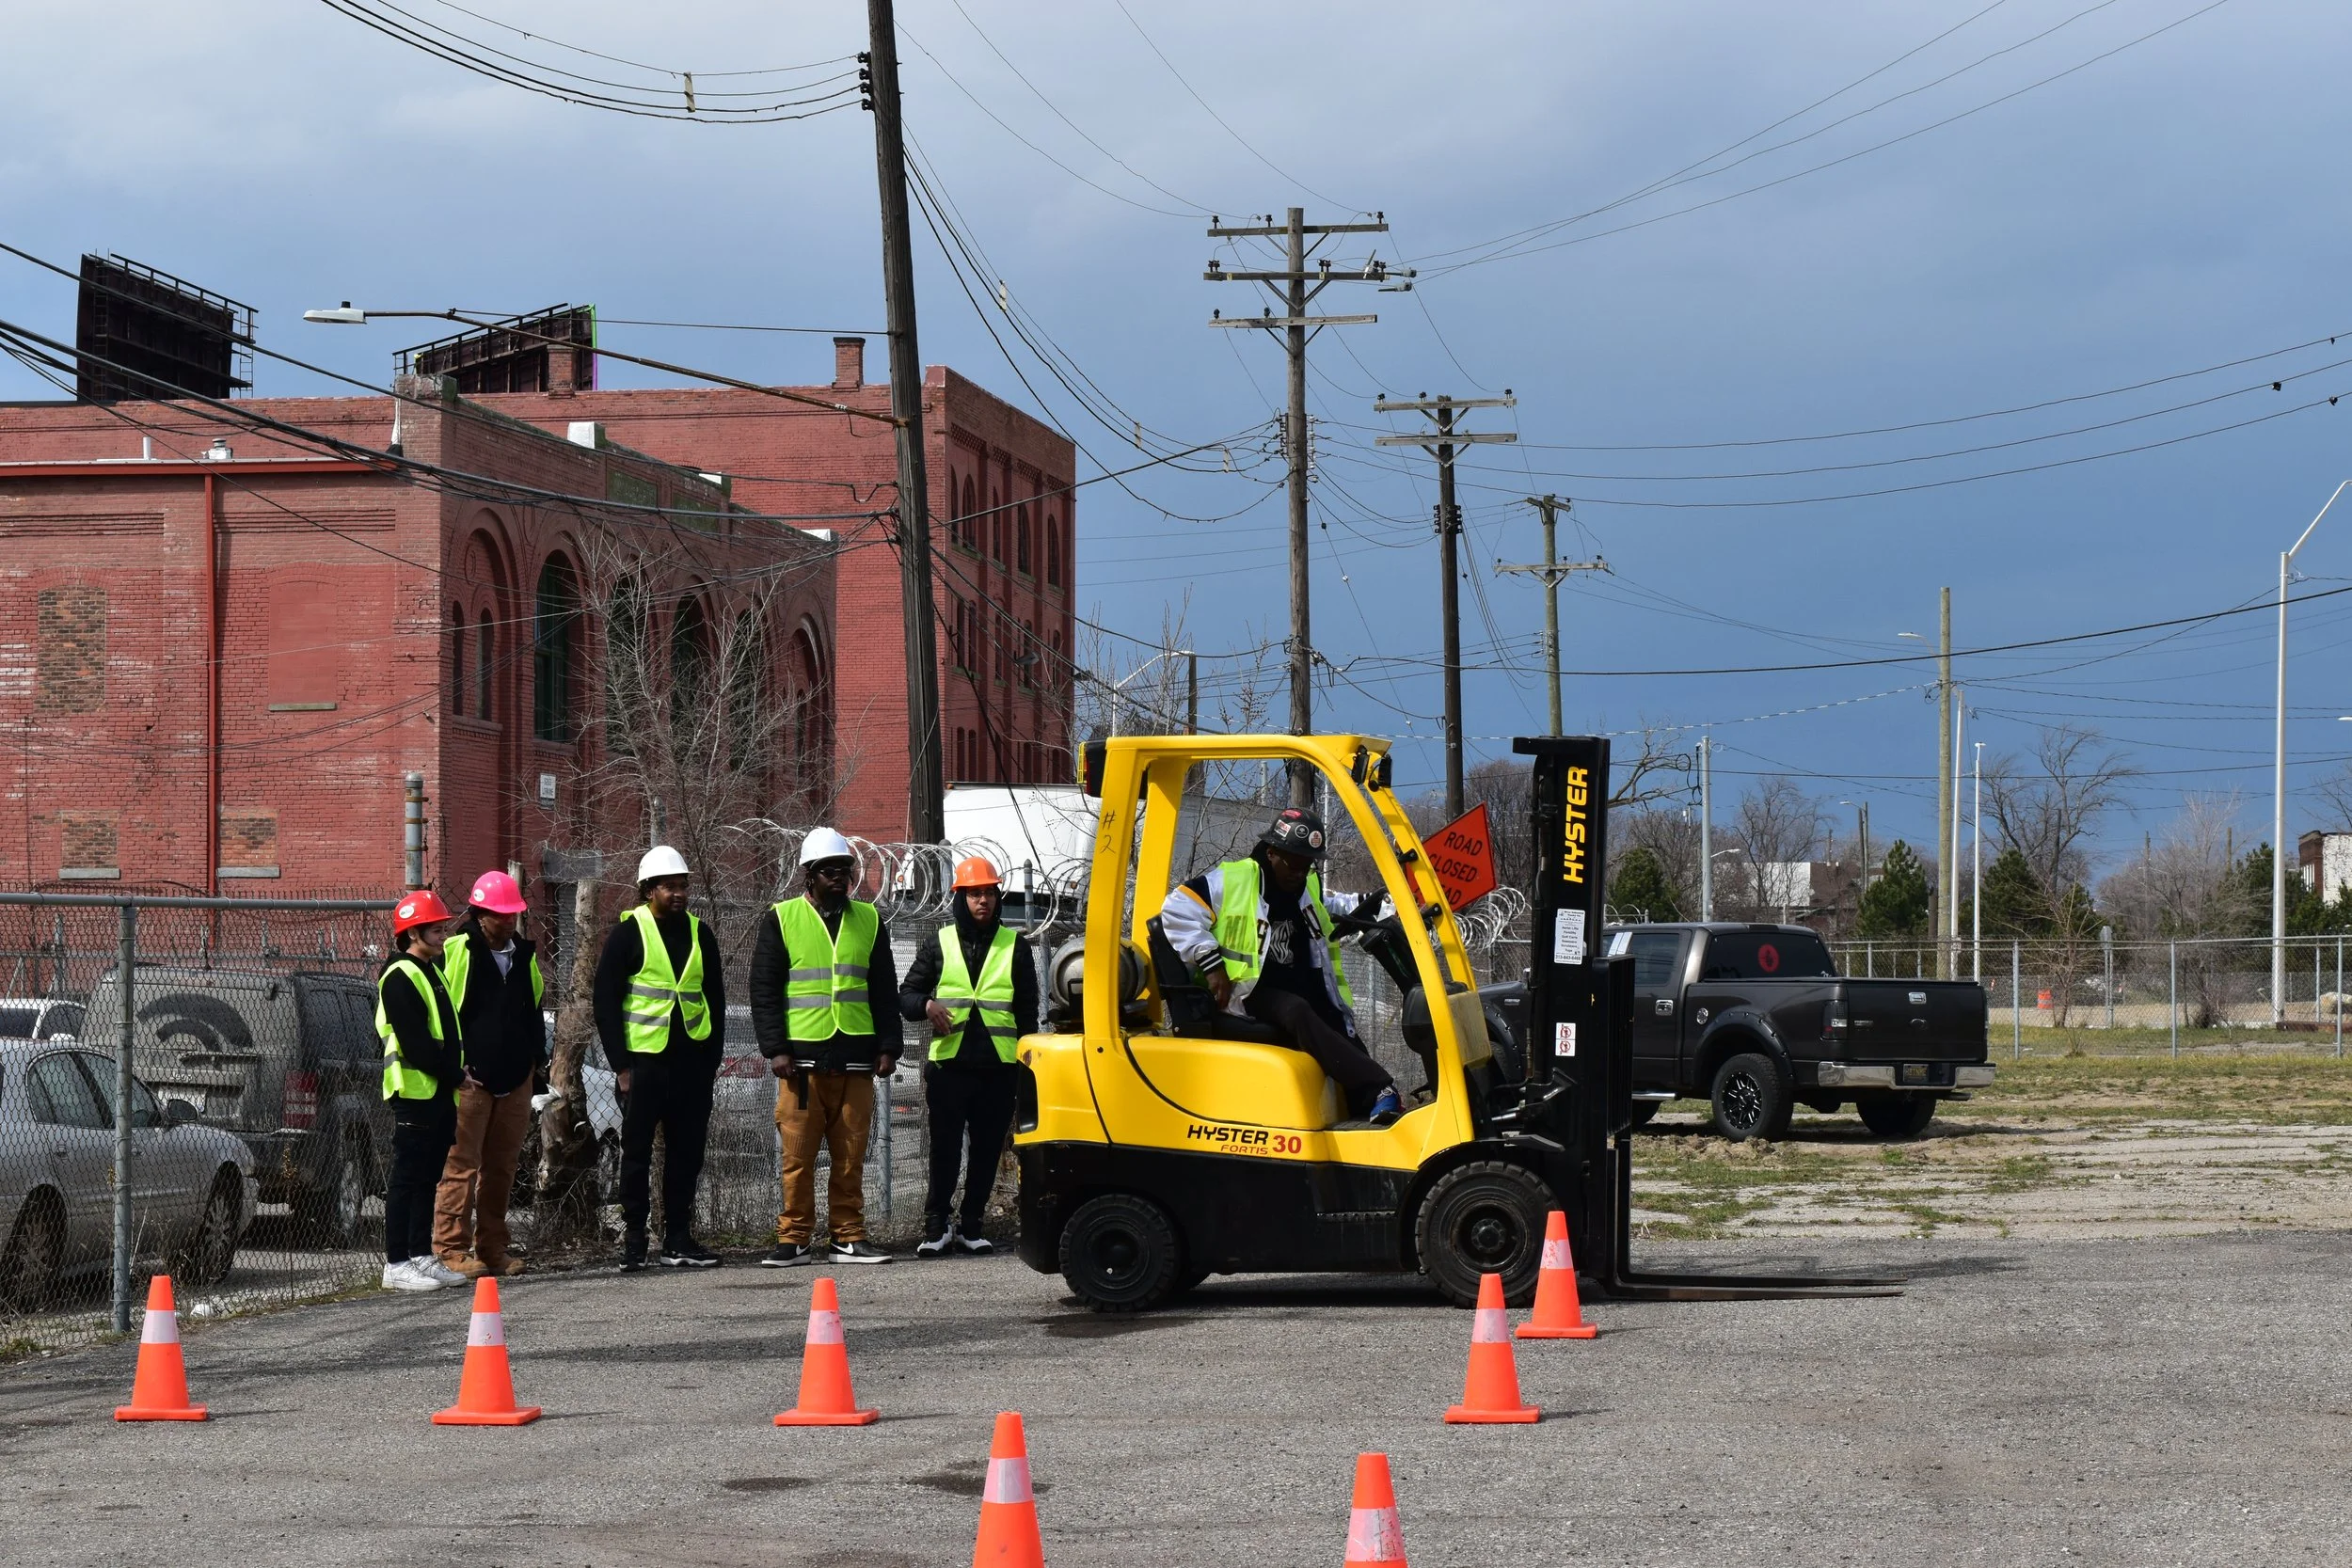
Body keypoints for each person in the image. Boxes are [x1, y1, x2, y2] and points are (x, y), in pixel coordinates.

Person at [1158, 807, 1405, 1126]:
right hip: (1247, 992)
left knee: (1335, 1016)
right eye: (1294, 863)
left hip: (1295, 987)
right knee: (1297, 1010)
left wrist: (1391, 904)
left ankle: (1367, 1107)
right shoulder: (1235, 879)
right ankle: (1380, 1088)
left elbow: (1334, 906)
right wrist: (1210, 962)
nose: (1300, 873)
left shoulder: (1303, 885)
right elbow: (1177, 909)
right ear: (1272, 852)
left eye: (1307, 865)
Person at [750, 827, 901, 1266]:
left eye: (846, 871)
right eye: (830, 871)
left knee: (851, 1156)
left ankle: (847, 1238)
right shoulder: (782, 918)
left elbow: (883, 990)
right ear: (809, 875)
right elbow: (764, 989)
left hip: (856, 1058)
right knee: (797, 1158)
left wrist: (888, 1046)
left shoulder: (870, 920)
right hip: (801, 1063)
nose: (840, 878)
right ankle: (794, 1239)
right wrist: (775, 1048)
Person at [592, 846, 725, 1272]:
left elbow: (715, 999)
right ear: (649, 890)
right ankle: (634, 1240)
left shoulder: (700, 933)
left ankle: (678, 1239)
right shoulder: (629, 933)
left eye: (683, 886)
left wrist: (712, 1060)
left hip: (691, 1063)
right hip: (644, 1063)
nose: (679, 893)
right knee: (635, 1154)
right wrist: (621, 1065)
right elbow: (605, 1002)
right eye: (670, 886)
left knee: (688, 1153)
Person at [898, 855, 1037, 1258]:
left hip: (999, 1068)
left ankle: (972, 1226)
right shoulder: (937, 943)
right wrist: (926, 1005)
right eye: (975, 893)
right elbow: (905, 996)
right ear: (960, 897)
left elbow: (1027, 1012)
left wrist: (1028, 1069)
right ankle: (936, 1227)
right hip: (949, 1067)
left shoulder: (1016, 947)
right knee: (944, 1150)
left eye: (989, 893)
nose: (983, 901)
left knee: (987, 1150)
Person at [431, 869, 547, 1280]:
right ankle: (450, 1250)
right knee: (460, 1166)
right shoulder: (458, 951)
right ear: (481, 914)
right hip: (471, 1080)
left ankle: (493, 1249)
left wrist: (537, 1067)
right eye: (501, 914)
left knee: (501, 1168)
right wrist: (452, 1068)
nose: (509, 921)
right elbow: (442, 1013)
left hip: (515, 1079)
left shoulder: (523, 957)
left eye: (513, 913)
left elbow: (533, 1013)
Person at [376, 890, 470, 1292]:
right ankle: (396, 1262)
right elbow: (415, 1042)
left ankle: (419, 1255)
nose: (444, 932)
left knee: (428, 1177)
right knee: (407, 1178)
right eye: (436, 927)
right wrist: (455, 1075)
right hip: (414, 1091)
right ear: (413, 932)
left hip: (437, 1093)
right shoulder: (400, 975)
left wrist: (454, 1075)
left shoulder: (432, 970)